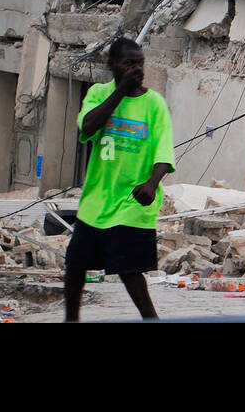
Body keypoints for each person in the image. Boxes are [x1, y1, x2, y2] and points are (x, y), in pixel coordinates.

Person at [64, 37, 174, 321]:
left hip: (132, 200)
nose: (136, 69)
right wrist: (120, 92)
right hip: (97, 200)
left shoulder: (154, 104)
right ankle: (71, 318)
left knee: (129, 271)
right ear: (113, 66)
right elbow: (87, 127)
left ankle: (151, 319)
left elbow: (164, 151)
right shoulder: (99, 94)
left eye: (140, 63)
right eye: (129, 63)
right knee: (75, 262)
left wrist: (152, 183)